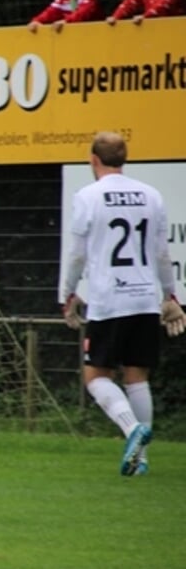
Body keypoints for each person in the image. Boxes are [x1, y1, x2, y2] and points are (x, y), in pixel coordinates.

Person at [59, 131, 186, 477]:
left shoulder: (88, 196)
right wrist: (170, 296)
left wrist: (68, 292)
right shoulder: (151, 195)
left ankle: (132, 430)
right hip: (144, 298)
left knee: (95, 375)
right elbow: (161, 252)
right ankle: (141, 459)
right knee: (136, 376)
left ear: (93, 160)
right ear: (124, 159)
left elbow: (77, 253)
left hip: (109, 298)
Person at [27, 0, 103, 33]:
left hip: (94, 33)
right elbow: (52, 10)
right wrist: (37, 21)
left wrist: (66, 21)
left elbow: (83, 13)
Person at [106, 0, 185, 24]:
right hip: (152, 27)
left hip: (174, 27)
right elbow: (131, 2)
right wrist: (115, 17)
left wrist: (146, 16)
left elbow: (166, 3)